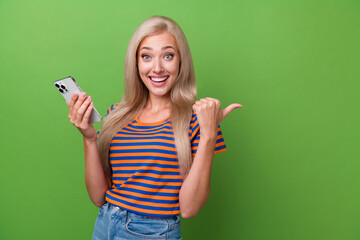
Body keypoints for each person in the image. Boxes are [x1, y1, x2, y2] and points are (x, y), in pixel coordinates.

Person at [67, 15, 242, 240]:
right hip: (105, 225)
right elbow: (98, 197)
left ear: (181, 61)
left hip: (153, 233)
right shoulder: (116, 114)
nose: (157, 68)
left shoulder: (198, 119)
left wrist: (209, 135)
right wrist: (89, 139)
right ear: (136, 63)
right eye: (146, 56)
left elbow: (189, 209)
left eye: (168, 56)